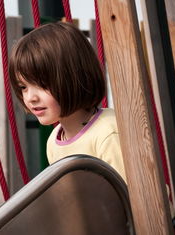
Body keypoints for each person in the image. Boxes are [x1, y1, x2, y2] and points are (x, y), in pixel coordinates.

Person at [8, 21, 126, 181]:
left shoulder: (108, 132)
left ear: (74, 76)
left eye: (42, 84)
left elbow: (128, 197)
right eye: (23, 87)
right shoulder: (54, 141)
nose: (30, 97)